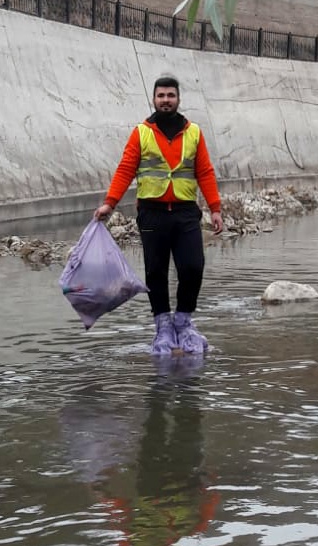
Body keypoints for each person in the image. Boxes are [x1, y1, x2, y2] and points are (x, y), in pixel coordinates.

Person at [94, 74, 223, 354]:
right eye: (161, 96)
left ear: (178, 99)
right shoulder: (142, 132)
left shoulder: (194, 132)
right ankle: (163, 327)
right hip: (152, 213)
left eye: (171, 96)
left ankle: (184, 322)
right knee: (156, 271)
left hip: (186, 212)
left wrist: (215, 208)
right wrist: (110, 203)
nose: (166, 101)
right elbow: (126, 169)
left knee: (192, 267)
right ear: (154, 99)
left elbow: (205, 171)